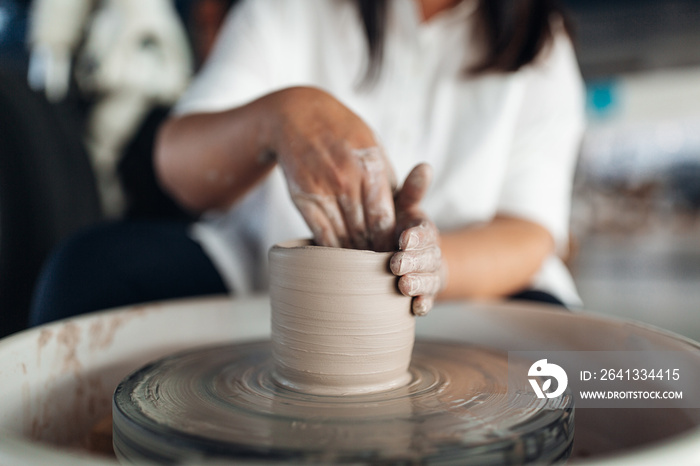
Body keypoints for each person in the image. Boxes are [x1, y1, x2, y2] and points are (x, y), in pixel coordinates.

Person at [30, 0, 585, 326]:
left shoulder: (541, 46)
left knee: (570, 371)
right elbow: (177, 164)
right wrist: (277, 118)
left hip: (465, 285)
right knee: (85, 274)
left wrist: (429, 265)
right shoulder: (290, 8)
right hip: (268, 277)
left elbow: (532, 229)